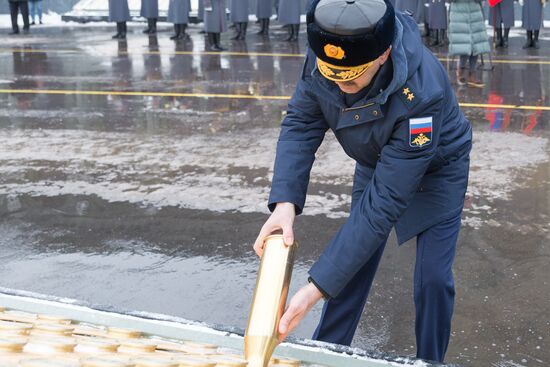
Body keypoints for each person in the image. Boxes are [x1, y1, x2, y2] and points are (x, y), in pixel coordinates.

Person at [254, 0, 472, 363]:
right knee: (350, 264)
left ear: (384, 54)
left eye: (353, 78)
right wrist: (284, 205)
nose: (344, 88)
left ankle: (430, 360)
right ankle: (326, 352)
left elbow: (384, 205)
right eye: (334, 76)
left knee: (432, 279)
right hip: (377, 159)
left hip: (437, 168)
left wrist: (313, 289)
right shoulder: (325, 57)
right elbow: (301, 125)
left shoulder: (422, 93)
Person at [448, 0, 489, 87]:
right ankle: (460, 70)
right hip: (459, 12)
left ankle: (472, 73)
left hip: (474, 10)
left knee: (476, 43)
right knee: (464, 44)